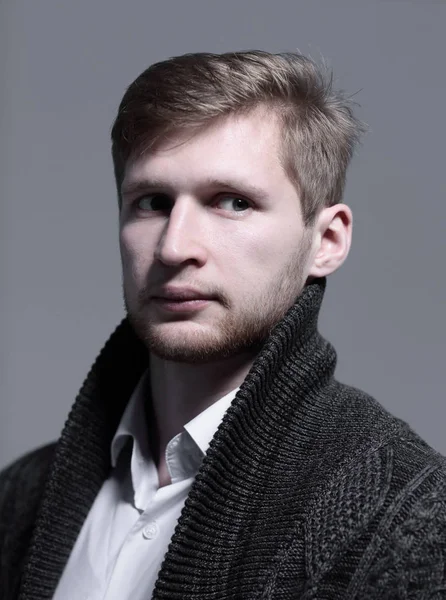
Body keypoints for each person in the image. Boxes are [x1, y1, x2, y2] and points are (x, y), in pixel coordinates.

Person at [1, 50, 445, 600]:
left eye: (233, 202)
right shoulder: (19, 499)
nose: (174, 246)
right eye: (152, 202)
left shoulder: (407, 514)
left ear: (326, 241)